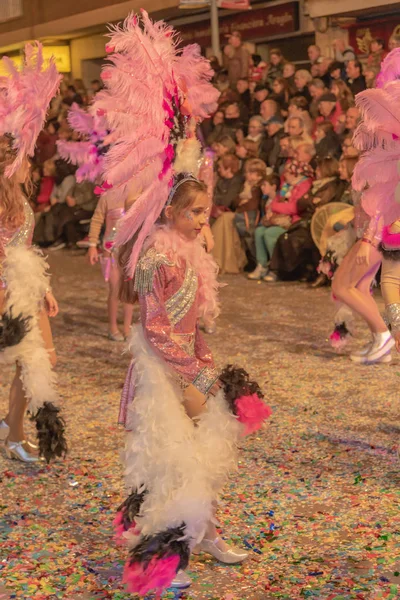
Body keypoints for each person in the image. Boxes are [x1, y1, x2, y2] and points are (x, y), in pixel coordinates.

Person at [88, 12, 270, 595]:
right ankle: (167, 556)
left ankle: (201, 531)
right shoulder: (158, 257)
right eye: (194, 211)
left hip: (184, 365)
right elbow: (158, 326)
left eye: (206, 208)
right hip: (159, 372)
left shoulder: (192, 253)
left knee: (197, 452)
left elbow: (193, 324)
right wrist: (197, 373)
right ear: (169, 211)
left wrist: (206, 356)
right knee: (179, 459)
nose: (203, 217)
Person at [0, 43, 66, 464]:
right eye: (25, 158)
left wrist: (44, 288)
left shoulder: (21, 197)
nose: (32, 164)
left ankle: (11, 425)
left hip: (28, 284)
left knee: (42, 358)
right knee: (30, 358)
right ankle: (14, 432)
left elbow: (25, 247)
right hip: (8, 288)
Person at [269, 156, 343, 284]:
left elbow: (313, 203)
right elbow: (302, 203)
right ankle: (283, 271)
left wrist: (308, 201)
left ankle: (291, 271)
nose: (316, 171)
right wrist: (309, 201)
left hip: (316, 222)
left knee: (291, 238)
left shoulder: (329, 186)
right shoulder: (318, 185)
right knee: (286, 237)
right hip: (308, 220)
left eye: (319, 169)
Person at [86, 192, 134, 341]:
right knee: (115, 288)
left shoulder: (137, 193)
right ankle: (112, 326)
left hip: (129, 251)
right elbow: (97, 220)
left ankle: (127, 327)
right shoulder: (107, 197)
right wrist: (92, 245)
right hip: (111, 251)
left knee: (129, 290)